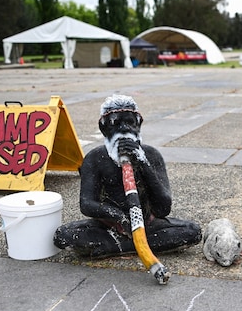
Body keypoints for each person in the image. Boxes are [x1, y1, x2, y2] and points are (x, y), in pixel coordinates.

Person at [54, 94, 202, 258]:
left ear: (139, 124)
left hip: (147, 224)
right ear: (104, 128)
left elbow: (163, 208)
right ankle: (137, 246)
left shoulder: (152, 156)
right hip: (108, 226)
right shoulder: (95, 158)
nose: (124, 129)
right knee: (63, 235)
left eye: (130, 122)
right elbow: (87, 204)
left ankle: (114, 247)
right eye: (116, 124)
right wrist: (119, 217)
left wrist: (143, 163)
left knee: (192, 231)